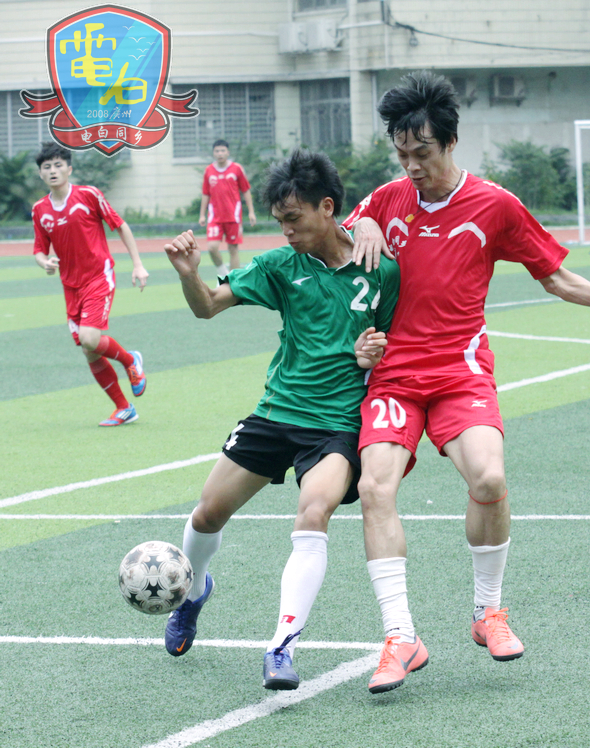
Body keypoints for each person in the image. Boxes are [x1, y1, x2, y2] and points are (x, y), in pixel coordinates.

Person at [344, 72, 590, 695]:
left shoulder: (495, 205)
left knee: (489, 479)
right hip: (393, 376)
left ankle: (488, 612)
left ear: (450, 142)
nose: (411, 166)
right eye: (401, 154)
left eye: (422, 152)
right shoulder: (384, 198)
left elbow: (556, 276)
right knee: (374, 487)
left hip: (461, 373)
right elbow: (338, 235)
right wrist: (361, 223)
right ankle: (400, 636)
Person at [163, 149, 400, 691]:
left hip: (337, 423)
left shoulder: (381, 269)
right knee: (207, 515)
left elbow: (399, 343)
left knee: (313, 512)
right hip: (276, 412)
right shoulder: (279, 265)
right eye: (279, 222)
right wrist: (189, 274)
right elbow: (207, 306)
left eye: (294, 219)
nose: (286, 231)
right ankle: (193, 592)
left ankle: (281, 646)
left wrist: (375, 353)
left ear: (327, 207)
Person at [32, 142, 149, 427]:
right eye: (47, 167)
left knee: (89, 338)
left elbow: (120, 225)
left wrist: (137, 264)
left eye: (58, 165)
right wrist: (44, 262)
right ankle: (124, 408)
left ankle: (130, 360)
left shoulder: (88, 195)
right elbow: (39, 249)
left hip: (99, 277)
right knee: (90, 351)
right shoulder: (39, 210)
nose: (53, 171)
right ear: (41, 174)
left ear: (69, 169)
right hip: (70, 286)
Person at [199, 139, 257, 276]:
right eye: (217, 151)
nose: (220, 153)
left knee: (233, 249)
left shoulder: (236, 169)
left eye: (222, 150)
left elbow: (246, 190)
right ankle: (223, 273)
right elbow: (206, 193)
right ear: (213, 153)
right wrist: (202, 214)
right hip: (215, 217)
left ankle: (233, 280)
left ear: (228, 152)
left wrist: (251, 212)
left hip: (233, 216)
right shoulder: (209, 170)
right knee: (212, 247)